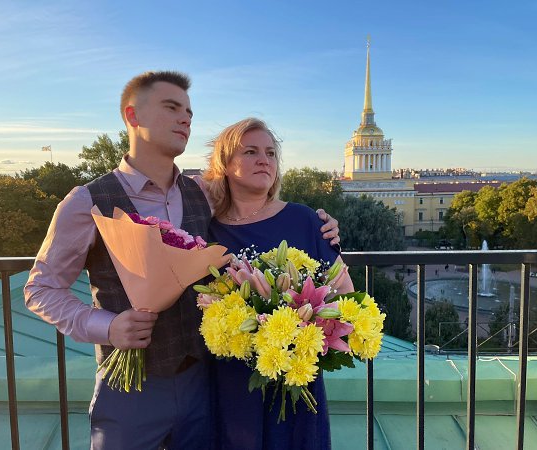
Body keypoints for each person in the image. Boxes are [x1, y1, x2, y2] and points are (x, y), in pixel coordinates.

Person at [24, 71, 340, 450]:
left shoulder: (201, 194)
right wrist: (107, 327)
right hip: (131, 388)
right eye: (171, 108)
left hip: (203, 385)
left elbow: (253, 209)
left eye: (189, 112)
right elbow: (40, 289)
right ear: (132, 116)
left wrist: (322, 225)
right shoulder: (86, 200)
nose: (185, 119)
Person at [202, 117, 355, 450]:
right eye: (251, 152)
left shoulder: (306, 219)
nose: (264, 160)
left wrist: (305, 333)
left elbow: (346, 294)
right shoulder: (206, 230)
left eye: (271, 153)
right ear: (225, 163)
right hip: (231, 383)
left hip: (295, 378)